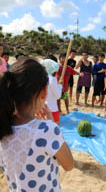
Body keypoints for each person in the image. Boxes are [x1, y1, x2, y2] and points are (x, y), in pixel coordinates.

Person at [0, 58, 74, 192]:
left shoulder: (3, 125)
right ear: (44, 92)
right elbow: (69, 165)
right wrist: (52, 124)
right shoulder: (46, 130)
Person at [40, 56, 62, 125]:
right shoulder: (52, 79)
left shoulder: (38, 77)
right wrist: (60, 85)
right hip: (52, 108)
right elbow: (58, 96)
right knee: (55, 131)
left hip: (40, 108)